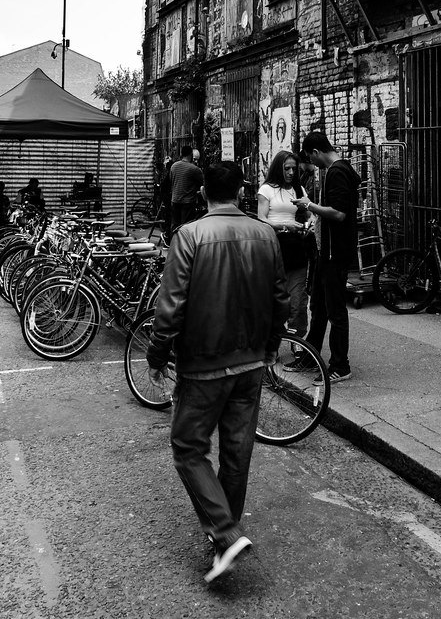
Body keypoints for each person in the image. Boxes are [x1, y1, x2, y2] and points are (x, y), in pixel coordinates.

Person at [146, 161, 289, 584]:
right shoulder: (266, 235)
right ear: (242, 191)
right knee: (236, 454)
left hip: (205, 365)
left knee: (189, 448)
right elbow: (280, 299)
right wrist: (270, 346)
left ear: (204, 192)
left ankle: (225, 534)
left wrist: (157, 355)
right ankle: (224, 536)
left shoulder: (188, 235)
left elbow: (170, 306)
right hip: (250, 363)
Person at [293, 131, 361, 383]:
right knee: (319, 306)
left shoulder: (336, 172)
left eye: (311, 157)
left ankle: (340, 366)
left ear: (315, 152)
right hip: (328, 252)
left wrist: (308, 205)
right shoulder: (338, 170)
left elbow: (339, 213)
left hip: (335, 252)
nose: (313, 163)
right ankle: (312, 356)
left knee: (335, 309)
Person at [258, 150, 315, 339]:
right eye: (287, 168)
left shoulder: (299, 190)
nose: (291, 172)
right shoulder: (267, 190)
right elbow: (261, 219)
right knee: (271, 299)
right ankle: (270, 341)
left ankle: (297, 340)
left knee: (297, 299)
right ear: (278, 168)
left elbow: (310, 214)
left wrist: (309, 224)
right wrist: (285, 224)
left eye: (294, 169)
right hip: (273, 248)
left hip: (296, 248)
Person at [170, 145, 203, 231]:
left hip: (175, 200)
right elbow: (203, 182)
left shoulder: (174, 166)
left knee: (175, 225)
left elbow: (171, 180)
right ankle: (184, 244)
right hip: (187, 202)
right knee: (186, 227)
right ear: (190, 155)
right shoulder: (194, 169)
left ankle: (173, 242)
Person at [159, 156, 173, 243]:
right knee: (169, 216)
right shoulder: (169, 172)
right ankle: (167, 235)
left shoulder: (168, 172)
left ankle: (167, 234)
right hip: (168, 197)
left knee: (169, 216)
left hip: (167, 196)